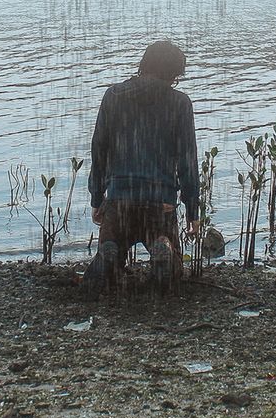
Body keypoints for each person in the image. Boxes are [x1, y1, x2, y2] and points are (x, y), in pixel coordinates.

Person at [84, 40, 200, 295]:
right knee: (173, 266)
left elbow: (99, 149)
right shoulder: (180, 103)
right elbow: (187, 160)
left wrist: (97, 196)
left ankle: (111, 250)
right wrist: (192, 210)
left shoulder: (113, 95)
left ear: (143, 64)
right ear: (173, 74)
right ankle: (162, 244)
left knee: (112, 246)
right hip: (160, 202)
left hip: (119, 198)